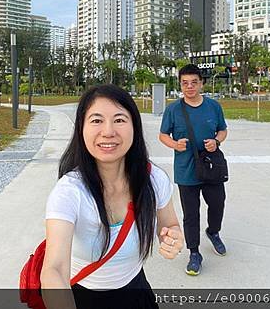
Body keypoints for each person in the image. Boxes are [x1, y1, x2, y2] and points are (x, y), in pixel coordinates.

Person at [40, 84, 183, 309]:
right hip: (81, 298)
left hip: (136, 292)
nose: (108, 131)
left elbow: (170, 224)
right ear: (81, 128)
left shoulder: (154, 179)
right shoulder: (69, 191)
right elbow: (54, 269)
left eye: (119, 120)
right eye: (96, 120)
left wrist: (172, 237)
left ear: (134, 127)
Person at [159, 64, 228, 276]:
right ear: (180, 84)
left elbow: (223, 130)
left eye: (194, 82)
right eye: (184, 83)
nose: (189, 87)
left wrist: (216, 141)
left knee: (217, 203)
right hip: (186, 170)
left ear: (201, 83)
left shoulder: (213, 106)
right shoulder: (173, 110)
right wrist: (175, 144)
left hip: (210, 166)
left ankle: (213, 232)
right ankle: (194, 253)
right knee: (191, 214)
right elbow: (163, 135)